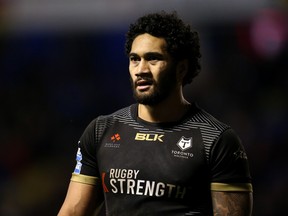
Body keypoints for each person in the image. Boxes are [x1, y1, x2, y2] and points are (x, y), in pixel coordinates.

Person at [58, 11, 253, 216]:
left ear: (181, 69)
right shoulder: (101, 131)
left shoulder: (216, 139)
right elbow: (72, 211)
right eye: (135, 59)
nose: (141, 69)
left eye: (153, 59)